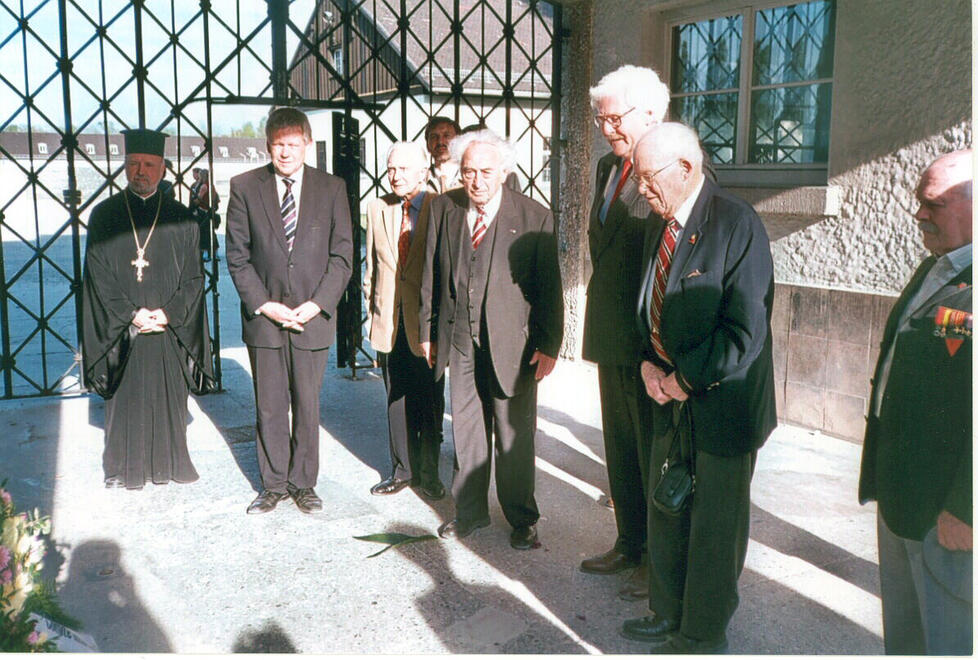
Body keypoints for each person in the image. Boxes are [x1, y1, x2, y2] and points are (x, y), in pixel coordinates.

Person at [622, 123, 776, 654]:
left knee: (715, 525)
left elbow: (744, 331)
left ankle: (702, 633)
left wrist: (681, 380)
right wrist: (648, 364)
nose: (641, 188)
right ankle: (666, 612)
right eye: (638, 178)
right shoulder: (659, 224)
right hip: (667, 391)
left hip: (722, 402)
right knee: (667, 506)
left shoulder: (736, 222)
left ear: (686, 168)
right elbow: (650, 307)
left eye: (649, 177)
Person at [419, 129, 563, 549]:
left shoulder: (535, 216)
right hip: (459, 337)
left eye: (485, 172)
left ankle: (522, 518)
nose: (477, 181)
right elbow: (430, 274)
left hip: (513, 343)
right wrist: (428, 331)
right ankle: (470, 512)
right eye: (468, 172)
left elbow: (549, 289)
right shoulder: (444, 208)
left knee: (513, 433)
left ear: (504, 171)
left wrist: (549, 345)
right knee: (467, 428)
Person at [858, 149, 972, 655]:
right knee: (904, 639)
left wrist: (966, 507)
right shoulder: (935, 268)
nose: (919, 214)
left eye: (933, 204)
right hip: (901, 492)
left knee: (948, 638)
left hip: (947, 511)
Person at [225, 108, 353, 515]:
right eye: (278, 144)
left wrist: (316, 305)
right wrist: (265, 305)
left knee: (308, 405)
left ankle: (303, 483)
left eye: (293, 144)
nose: (285, 152)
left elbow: (342, 257)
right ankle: (273, 484)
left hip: (312, 318)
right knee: (269, 405)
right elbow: (237, 257)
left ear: (307, 145)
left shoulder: (332, 189)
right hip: (266, 318)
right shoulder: (245, 187)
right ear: (268, 146)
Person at [82, 128, 214, 490]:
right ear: (125, 165)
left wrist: (168, 313)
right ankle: (123, 469)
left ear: (163, 169)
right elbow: (97, 275)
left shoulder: (182, 218)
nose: (140, 171)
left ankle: (169, 465)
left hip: (167, 326)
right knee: (125, 399)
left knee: (169, 398)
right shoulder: (104, 216)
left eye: (149, 165)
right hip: (125, 327)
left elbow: (194, 278)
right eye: (133, 163)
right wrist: (133, 314)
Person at [580, 65, 668, 602]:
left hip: (648, 340)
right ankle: (628, 542)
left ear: (651, 113)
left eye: (616, 117)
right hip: (611, 332)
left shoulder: (672, 166)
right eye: (601, 118)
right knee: (619, 444)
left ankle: (657, 559)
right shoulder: (607, 168)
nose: (607, 127)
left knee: (651, 449)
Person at [363, 141, 445, 500]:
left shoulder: (440, 207)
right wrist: (371, 316)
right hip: (389, 322)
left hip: (426, 324)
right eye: (391, 168)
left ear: (423, 172)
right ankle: (401, 471)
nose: (395, 176)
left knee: (429, 399)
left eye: (403, 169)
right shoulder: (377, 208)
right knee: (395, 398)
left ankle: (430, 474)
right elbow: (372, 268)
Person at [424, 116, 462, 194]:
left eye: (446, 136)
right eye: (434, 137)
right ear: (427, 145)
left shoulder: (471, 179)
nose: (440, 142)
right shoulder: (419, 182)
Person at [190, 167, 220, 261]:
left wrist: (193, 202)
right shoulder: (212, 186)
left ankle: (205, 253)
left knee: (203, 232)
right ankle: (215, 253)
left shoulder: (204, 186)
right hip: (210, 211)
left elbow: (199, 200)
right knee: (211, 232)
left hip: (203, 211)